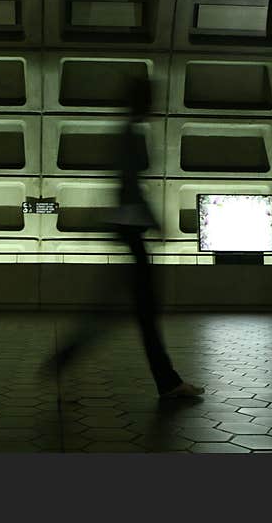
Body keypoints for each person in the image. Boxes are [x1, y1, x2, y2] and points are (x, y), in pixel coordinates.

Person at [41, 79, 202, 399]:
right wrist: (154, 221)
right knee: (139, 310)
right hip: (132, 230)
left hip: (128, 230)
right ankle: (167, 382)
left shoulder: (127, 132)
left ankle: (69, 356)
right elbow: (130, 185)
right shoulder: (131, 135)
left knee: (127, 309)